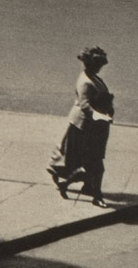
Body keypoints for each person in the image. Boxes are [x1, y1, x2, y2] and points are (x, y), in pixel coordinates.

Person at [47, 46, 115, 207]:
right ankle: (96, 196)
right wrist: (101, 116)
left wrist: (108, 110)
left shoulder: (94, 78)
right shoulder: (85, 81)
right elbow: (85, 106)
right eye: (98, 64)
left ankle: (84, 186)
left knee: (91, 163)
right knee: (94, 164)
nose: (100, 68)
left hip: (96, 126)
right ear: (91, 64)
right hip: (85, 127)